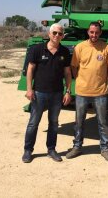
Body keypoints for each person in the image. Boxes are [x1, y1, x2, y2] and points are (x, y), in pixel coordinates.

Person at [66, 21, 108, 161]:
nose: (94, 34)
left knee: (102, 122)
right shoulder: (80, 47)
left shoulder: (106, 48)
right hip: (82, 91)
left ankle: (105, 149)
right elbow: (74, 66)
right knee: (79, 122)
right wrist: (78, 78)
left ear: (100, 33)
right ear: (88, 32)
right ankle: (77, 147)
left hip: (100, 91)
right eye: (91, 32)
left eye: (96, 32)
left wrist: (107, 78)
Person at [22, 23, 72, 163]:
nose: (57, 36)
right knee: (33, 123)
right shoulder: (37, 49)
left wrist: (68, 91)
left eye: (60, 34)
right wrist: (29, 89)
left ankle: (51, 149)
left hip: (57, 94)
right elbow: (30, 69)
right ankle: (28, 150)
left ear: (63, 36)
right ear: (49, 34)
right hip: (39, 93)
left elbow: (67, 73)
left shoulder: (64, 52)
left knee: (54, 123)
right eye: (54, 33)